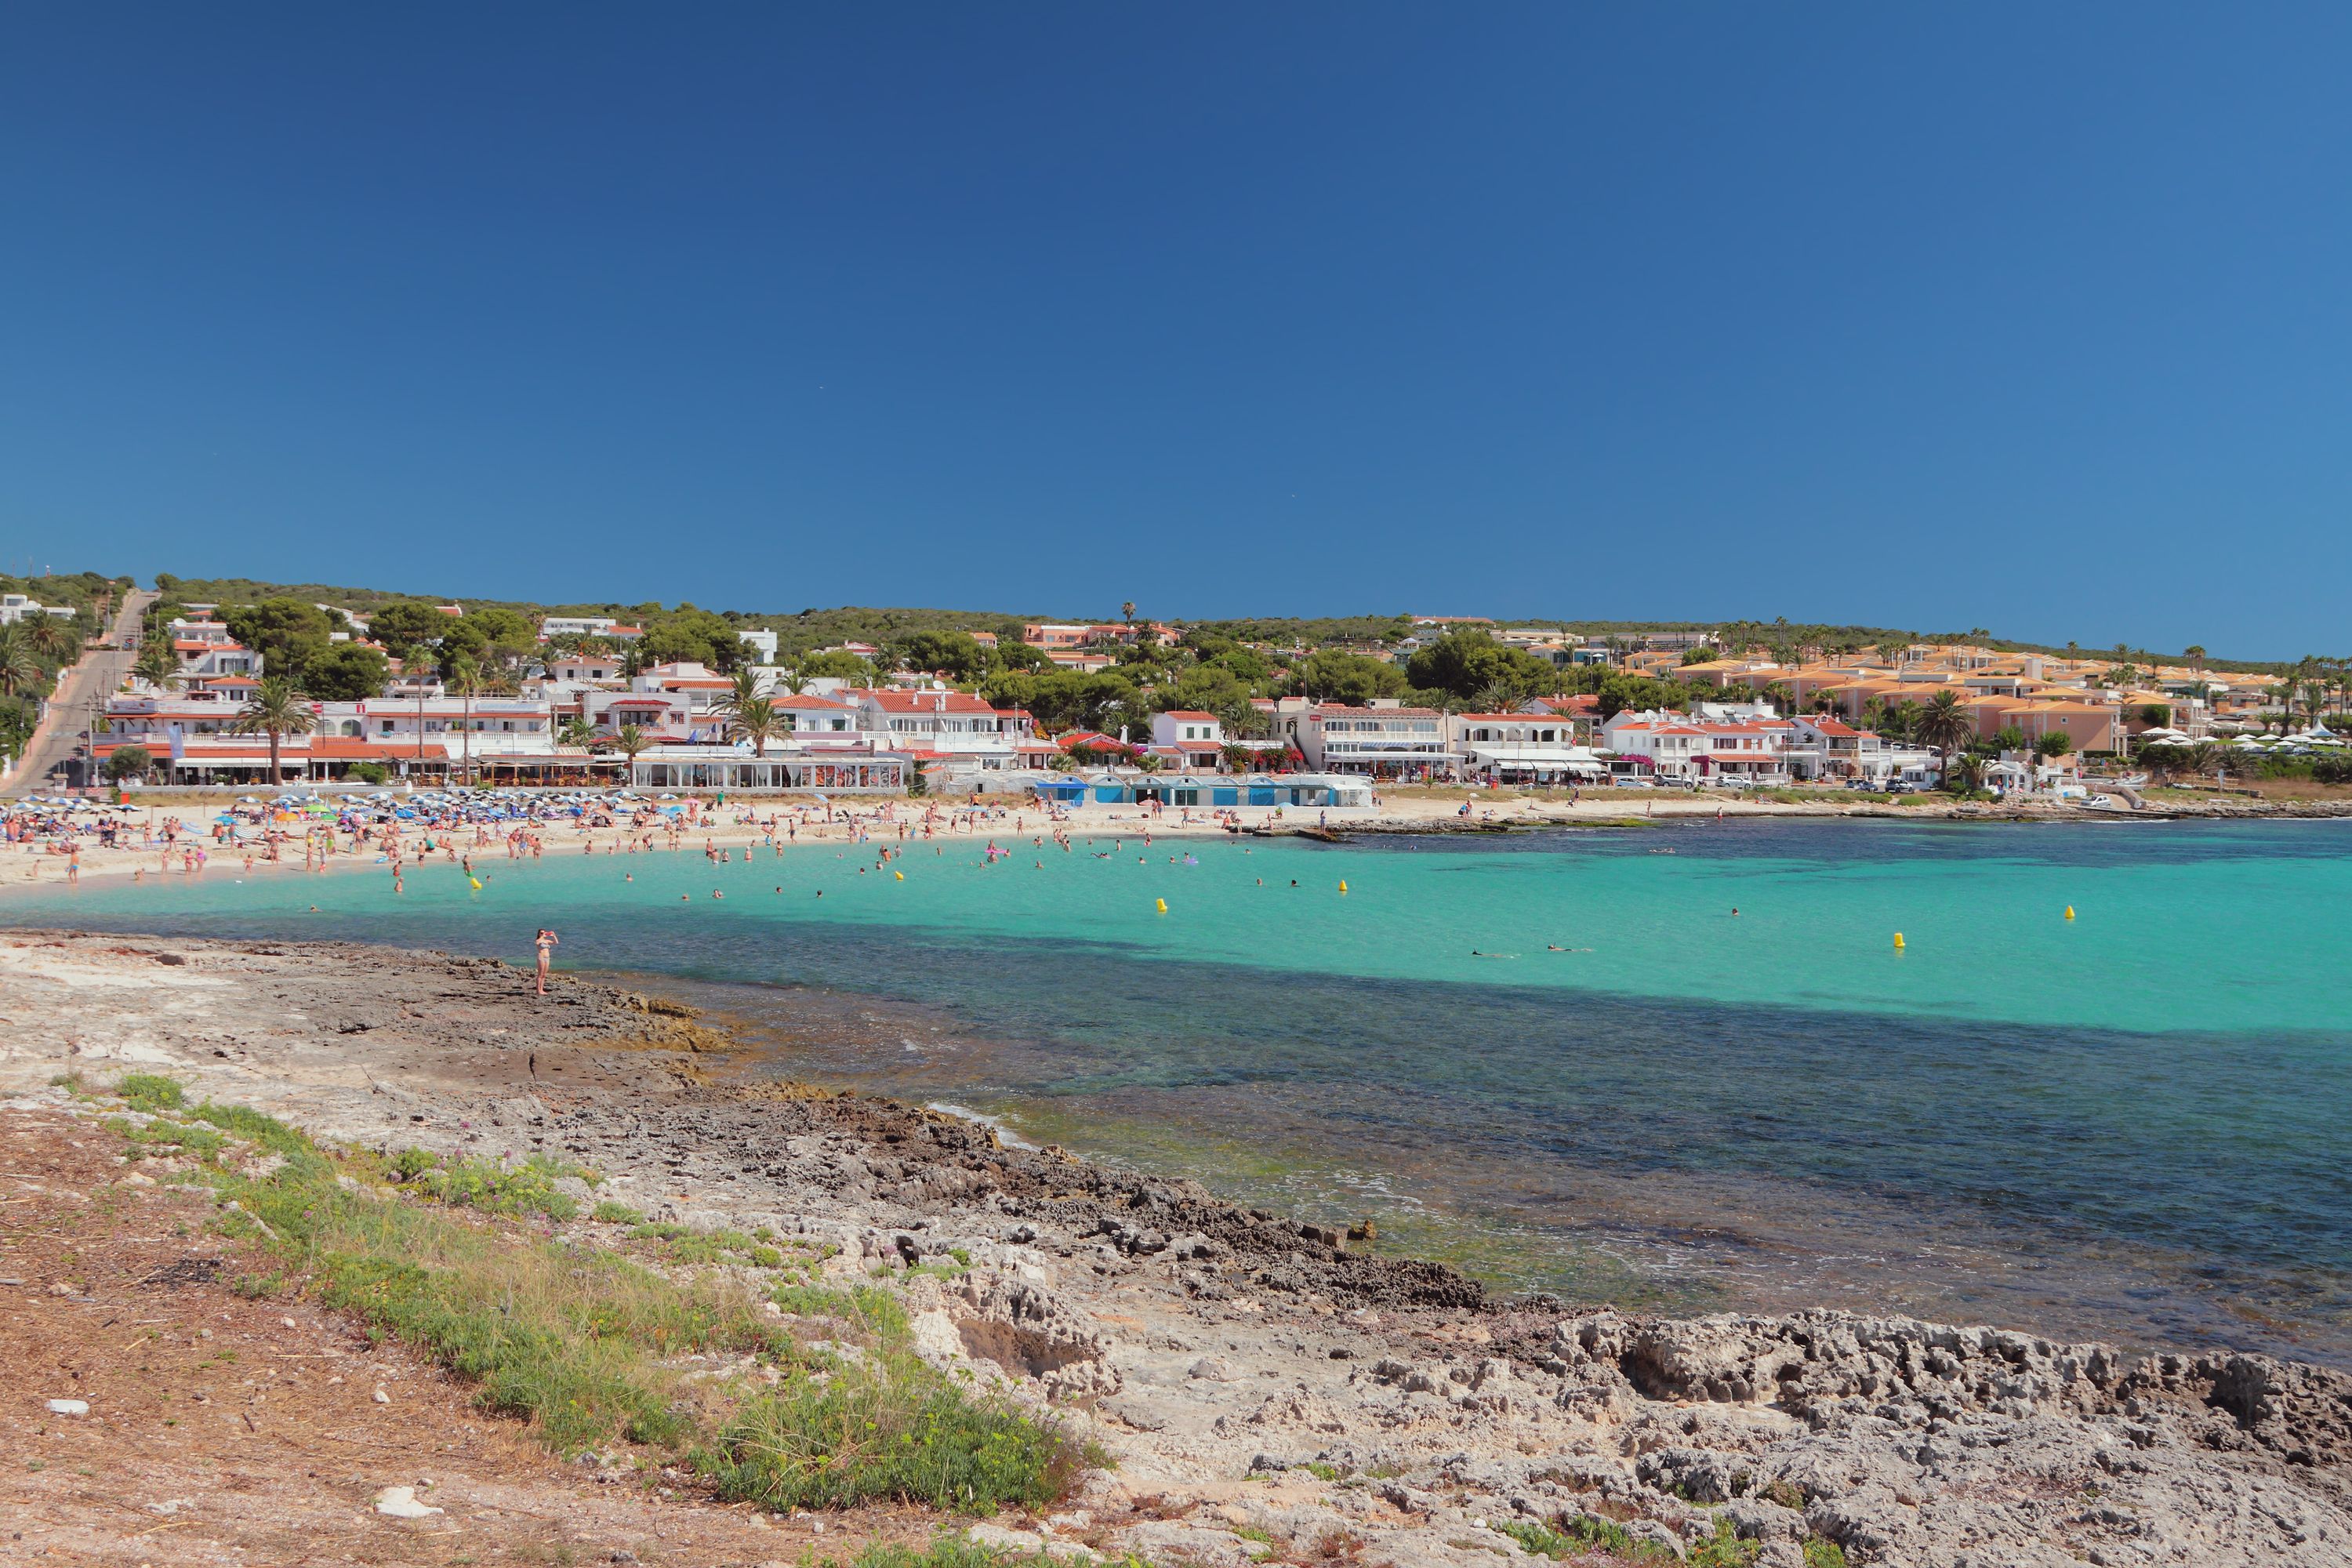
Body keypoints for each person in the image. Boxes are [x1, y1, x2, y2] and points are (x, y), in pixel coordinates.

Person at [534, 927, 559, 995]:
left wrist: (553, 935)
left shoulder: (546, 941)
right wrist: (543, 936)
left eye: (544, 933)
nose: (543, 934)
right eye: (541, 933)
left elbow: (556, 942)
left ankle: (541, 989)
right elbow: (537, 943)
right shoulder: (538, 940)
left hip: (547, 958)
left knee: (544, 975)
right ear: (539, 934)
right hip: (541, 957)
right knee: (540, 974)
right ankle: (538, 990)